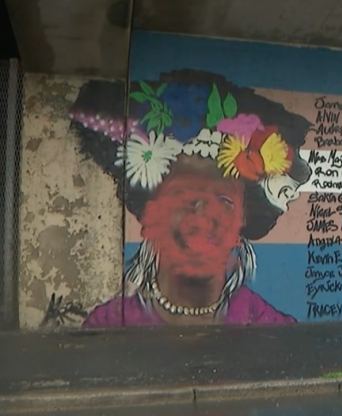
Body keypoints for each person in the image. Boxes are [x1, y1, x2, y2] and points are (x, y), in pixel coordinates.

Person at [70, 70, 311, 326]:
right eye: (182, 194)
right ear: (149, 213)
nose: (202, 217)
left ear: (243, 220)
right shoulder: (108, 325)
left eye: (224, 200)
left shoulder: (269, 327)